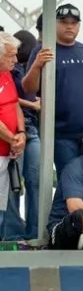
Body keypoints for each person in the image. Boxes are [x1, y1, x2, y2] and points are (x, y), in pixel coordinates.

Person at [22, 4, 83, 177]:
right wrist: (37, 65)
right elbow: (29, 88)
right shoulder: (42, 50)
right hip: (59, 133)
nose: (70, 26)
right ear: (54, 24)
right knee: (70, 179)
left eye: (74, 22)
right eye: (64, 22)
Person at [0, 32, 24, 237]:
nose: (15, 60)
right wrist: (13, 138)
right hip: (4, 147)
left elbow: (15, 104)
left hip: (8, 151)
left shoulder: (7, 74)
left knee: (2, 206)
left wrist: (22, 133)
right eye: (10, 55)